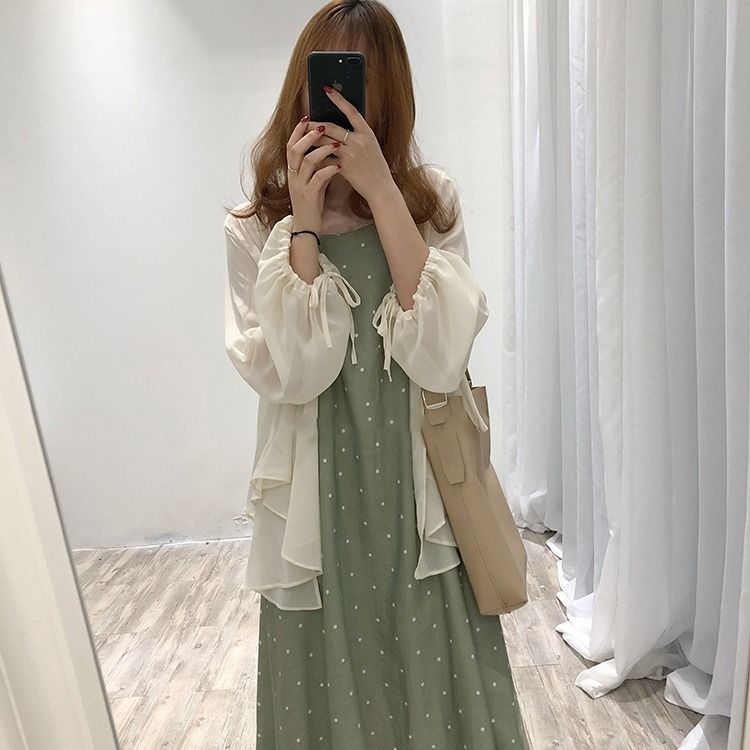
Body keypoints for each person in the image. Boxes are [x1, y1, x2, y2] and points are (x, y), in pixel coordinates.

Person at [223, 1, 530, 747]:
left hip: (417, 483)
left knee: (430, 657)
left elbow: (443, 354)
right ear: (299, 88)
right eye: (323, 82)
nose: (336, 102)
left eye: (355, 82)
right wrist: (303, 222)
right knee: (328, 670)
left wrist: (384, 195)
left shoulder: (430, 203)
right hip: (319, 492)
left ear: (387, 93)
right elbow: (295, 371)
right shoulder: (255, 224)